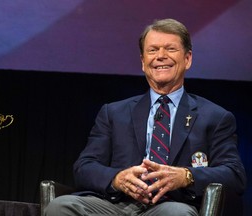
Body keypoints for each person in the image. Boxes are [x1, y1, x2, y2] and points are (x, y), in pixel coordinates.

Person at [45, 18, 246, 216]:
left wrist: (186, 176)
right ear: (143, 62)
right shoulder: (114, 113)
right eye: (152, 50)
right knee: (60, 206)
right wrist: (117, 178)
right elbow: (84, 167)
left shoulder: (215, 117)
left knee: (176, 214)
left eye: (170, 49)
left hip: (170, 205)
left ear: (187, 59)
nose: (160, 56)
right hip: (116, 206)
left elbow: (234, 175)